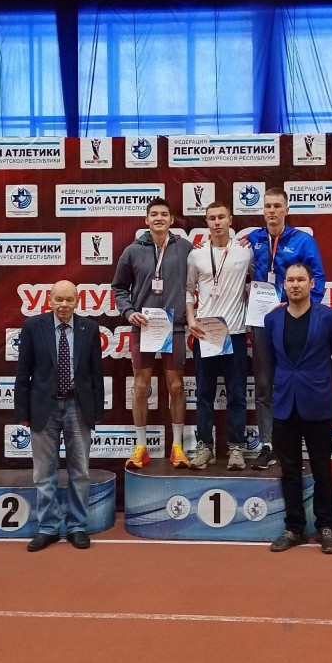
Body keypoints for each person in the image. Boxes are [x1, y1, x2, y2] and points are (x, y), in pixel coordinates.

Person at [264, 262, 332, 554]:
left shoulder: (328, 317)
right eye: (290, 280)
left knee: (322, 469)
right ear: (284, 285)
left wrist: (321, 381)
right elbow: (271, 361)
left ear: (312, 284)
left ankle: (326, 527)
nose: (295, 285)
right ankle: (294, 528)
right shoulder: (272, 320)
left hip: (317, 404)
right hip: (285, 405)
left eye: (301, 279)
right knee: (289, 471)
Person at [14, 279, 104, 552]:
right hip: (44, 408)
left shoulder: (90, 328)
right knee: (44, 473)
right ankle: (48, 528)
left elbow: (96, 374)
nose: (64, 305)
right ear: (49, 300)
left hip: (79, 407)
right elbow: (23, 372)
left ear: (77, 301)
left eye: (69, 299)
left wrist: (96, 412)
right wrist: (23, 412)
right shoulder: (33, 326)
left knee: (81, 472)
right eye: (59, 299)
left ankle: (77, 526)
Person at [246, 186, 326, 469]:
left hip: (291, 320)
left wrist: (300, 310)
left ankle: (294, 447)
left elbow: (318, 278)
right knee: (264, 385)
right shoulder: (253, 239)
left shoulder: (303, 241)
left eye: (277, 206)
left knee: (294, 382)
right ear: (263, 210)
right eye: (268, 206)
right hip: (261, 320)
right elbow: (227, 257)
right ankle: (268, 446)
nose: (272, 211)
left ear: (286, 209)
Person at [113, 198, 193, 469]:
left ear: (172, 220)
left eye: (164, 214)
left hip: (174, 326)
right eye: (154, 214)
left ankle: (177, 447)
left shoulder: (185, 248)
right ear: (146, 220)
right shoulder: (132, 251)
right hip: (144, 326)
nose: (159, 218)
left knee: (176, 386)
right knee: (141, 386)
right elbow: (119, 287)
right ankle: (141, 448)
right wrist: (128, 312)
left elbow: (199, 278)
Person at [186, 200, 253, 471]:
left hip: (235, 334)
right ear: (206, 222)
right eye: (212, 218)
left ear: (230, 220)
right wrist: (190, 319)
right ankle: (205, 448)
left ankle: (236, 448)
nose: (217, 222)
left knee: (237, 394)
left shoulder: (245, 252)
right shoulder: (197, 255)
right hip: (205, 333)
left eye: (221, 217)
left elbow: (259, 282)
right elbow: (188, 289)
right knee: (204, 394)